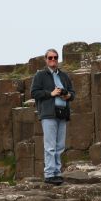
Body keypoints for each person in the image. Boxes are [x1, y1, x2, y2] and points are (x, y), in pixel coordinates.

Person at [30, 48, 74, 185]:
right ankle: (49, 174)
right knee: (50, 146)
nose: (53, 60)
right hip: (48, 114)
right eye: (50, 58)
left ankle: (57, 173)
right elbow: (34, 93)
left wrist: (67, 95)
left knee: (60, 146)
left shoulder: (64, 76)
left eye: (55, 57)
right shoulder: (40, 75)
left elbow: (73, 93)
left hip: (62, 113)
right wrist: (51, 94)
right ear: (46, 59)